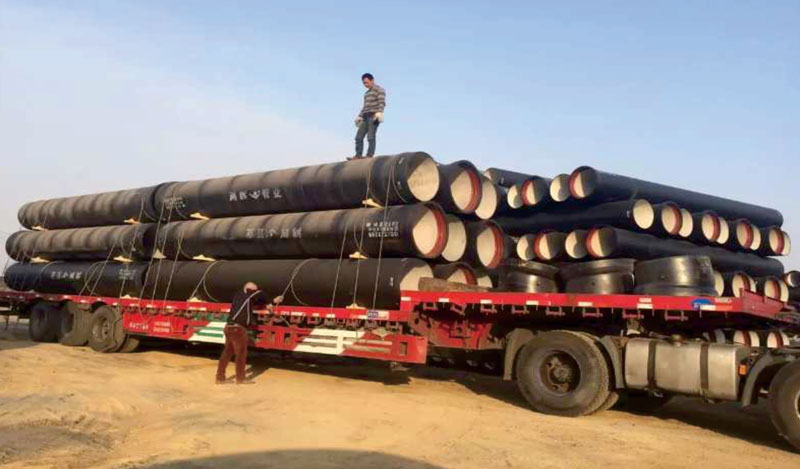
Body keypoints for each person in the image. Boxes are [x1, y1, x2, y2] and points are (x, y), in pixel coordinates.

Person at [215, 282, 281, 384]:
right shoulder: (246, 294)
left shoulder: (240, 297)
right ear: (247, 289)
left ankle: (220, 378)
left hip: (229, 327)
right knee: (241, 354)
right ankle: (241, 379)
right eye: (254, 289)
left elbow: (256, 300)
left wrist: (272, 302)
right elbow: (261, 293)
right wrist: (269, 303)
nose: (255, 291)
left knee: (227, 353)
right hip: (239, 329)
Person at [351, 73, 386, 159]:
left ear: (372, 80)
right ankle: (358, 155)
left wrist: (379, 112)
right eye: (364, 83)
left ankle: (369, 155)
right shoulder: (366, 93)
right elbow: (365, 106)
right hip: (365, 117)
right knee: (358, 137)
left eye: (366, 82)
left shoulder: (379, 90)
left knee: (370, 136)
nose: (365, 84)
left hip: (374, 116)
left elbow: (382, 102)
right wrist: (359, 116)